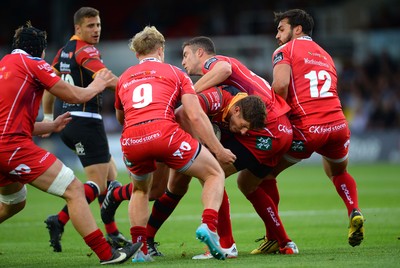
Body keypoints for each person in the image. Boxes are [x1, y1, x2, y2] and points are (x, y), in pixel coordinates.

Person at [0, 22, 141, 265]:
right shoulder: (33, 63)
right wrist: (97, 85)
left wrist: (51, 126)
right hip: (13, 148)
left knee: (15, 203)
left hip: (6, 144)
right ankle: (107, 254)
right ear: (40, 51)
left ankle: (109, 233)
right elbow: (74, 95)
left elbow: (13, 122)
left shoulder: (4, 65)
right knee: (74, 190)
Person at [101, 85, 268, 258]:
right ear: (237, 109)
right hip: (168, 135)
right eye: (243, 126)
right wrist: (200, 148)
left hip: (176, 138)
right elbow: (181, 114)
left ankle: (146, 237)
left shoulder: (241, 108)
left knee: (173, 187)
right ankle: (224, 242)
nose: (243, 132)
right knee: (203, 177)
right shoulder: (217, 97)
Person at [114, 26, 236, 262]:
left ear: (136, 53)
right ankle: (208, 225)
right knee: (214, 174)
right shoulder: (175, 73)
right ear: (160, 50)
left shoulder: (124, 78)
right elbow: (194, 115)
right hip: (164, 133)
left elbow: (122, 118)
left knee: (141, 190)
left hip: (131, 139)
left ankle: (140, 249)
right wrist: (219, 150)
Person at [180, 36, 298, 256]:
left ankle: (226, 244)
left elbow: (224, 69)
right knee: (249, 184)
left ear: (200, 53)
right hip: (282, 129)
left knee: (211, 173)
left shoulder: (213, 63)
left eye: (186, 55)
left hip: (264, 127)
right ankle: (284, 242)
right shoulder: (234, 77)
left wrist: (190, 93)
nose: (183, 62)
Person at [268, 9, 364, 247]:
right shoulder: (326, 55)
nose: (277, 36)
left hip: (308, 129)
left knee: (261, 176)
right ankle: (354, 210)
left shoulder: (285, 51)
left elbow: (280, 86)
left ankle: (274, 238)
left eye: (281, 29)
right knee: (338, 171)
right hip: (339, 125)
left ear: (297, 29)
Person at [42, 7, 130, 252]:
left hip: (69, 122)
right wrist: (134, 85)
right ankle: (59, 220)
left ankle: (112, 231)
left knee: (111, 178)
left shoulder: (63, 52)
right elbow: (105, 77)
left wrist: (49, 117)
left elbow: (50, 86)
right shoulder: (85, 50)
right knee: (99, 184)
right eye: (91, 26)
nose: (96, 30)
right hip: (86, 122)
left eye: (99, 25)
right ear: (78, 28)